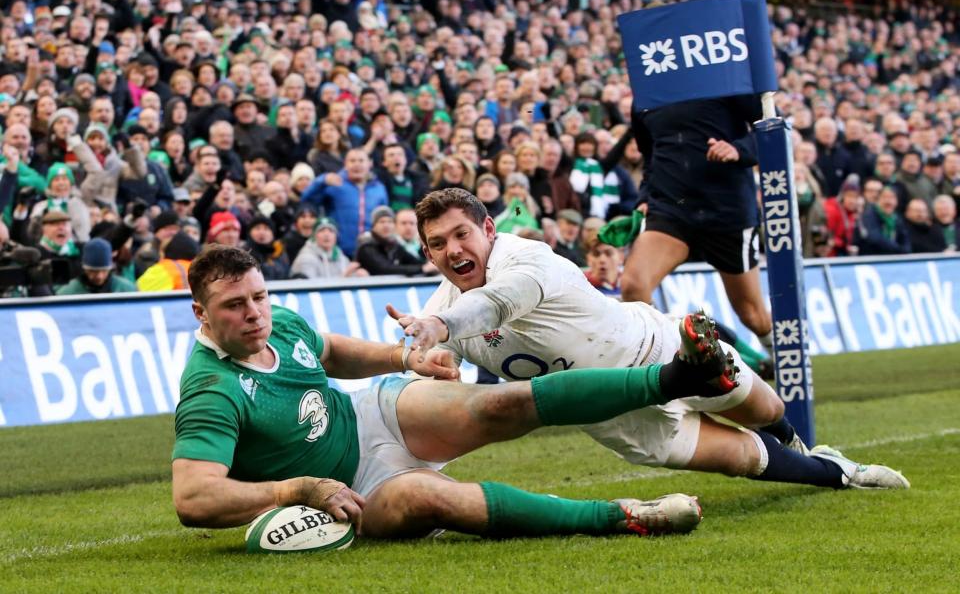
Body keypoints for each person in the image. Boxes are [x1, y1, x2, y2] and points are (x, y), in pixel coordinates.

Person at [171, 244, 743, 538]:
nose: (254, 314)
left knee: (501, 402)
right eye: (234, 306)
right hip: (348, 488)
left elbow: (330, 351)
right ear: (201, 312)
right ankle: (620, 516)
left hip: (374, 415)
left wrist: (403, 356)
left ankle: (680, 376)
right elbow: (194, 499)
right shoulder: (211, 390)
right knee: (436, 500)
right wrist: (295, 490)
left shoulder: (277, 318)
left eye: (259, 298)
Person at [392, 188, 908, 494]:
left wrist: (442, 329)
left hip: (656, 348)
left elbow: (497, 303)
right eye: (438, 243)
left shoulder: (525, 258)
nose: (453, 249)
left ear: (488, 229)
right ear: (428, 253)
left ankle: (799, 441)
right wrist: (428, 362)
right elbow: (427, 377)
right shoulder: (441, 310)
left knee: (764, 407)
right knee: (741, 460)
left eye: (462, 234)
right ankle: (840, 475)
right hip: (617, 415)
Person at [621, 96, 775, 358]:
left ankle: (781, 358)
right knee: (634, 285)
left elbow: (772, 128)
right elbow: (650, 155)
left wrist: (738, 149)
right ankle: (665, 362)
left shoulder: (723, 76)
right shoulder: (647, 90)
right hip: (671, 210)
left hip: (727, 212)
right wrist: (644, 198)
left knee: (752, 315)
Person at [56, 237, 138, 295]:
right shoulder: (67, 294)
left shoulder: (127, 290)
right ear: (84, 268)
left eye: (104, 270)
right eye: (93, 271)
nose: (99, 276)